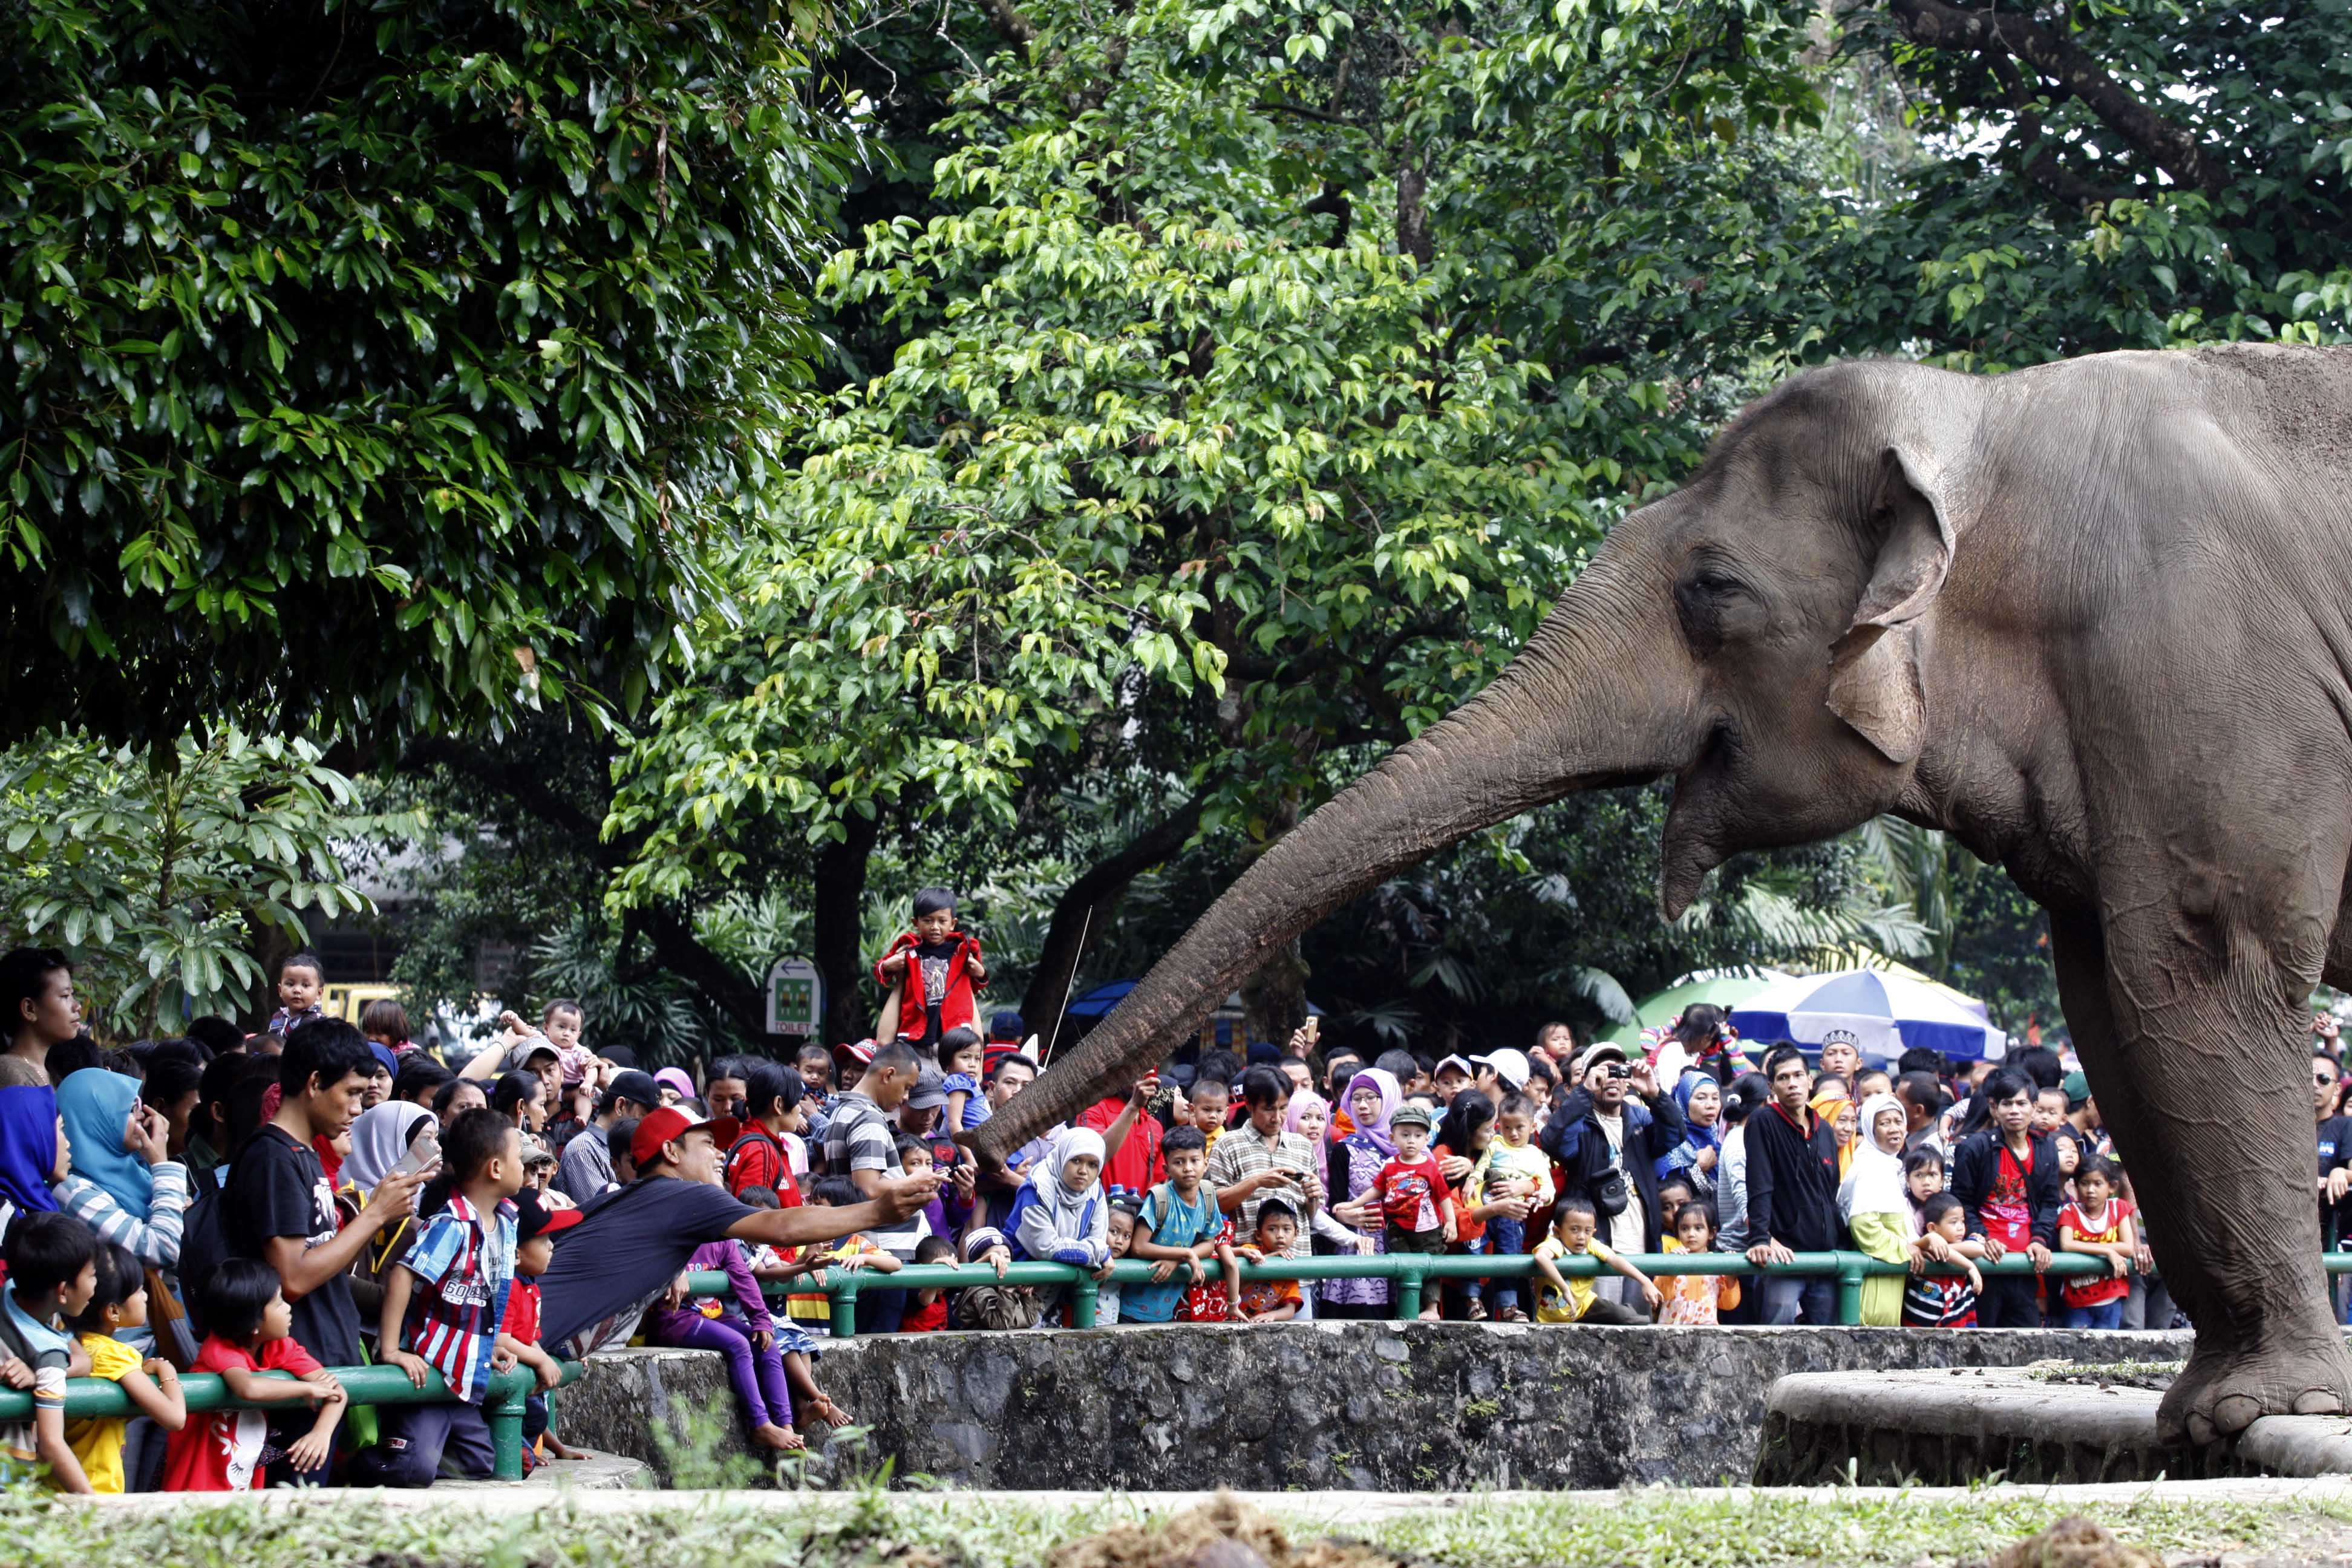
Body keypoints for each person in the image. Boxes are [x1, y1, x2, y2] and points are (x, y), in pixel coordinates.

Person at [535, 1108, 937, 1361]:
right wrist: (878, 1211)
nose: (720, 1154)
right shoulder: (683, 1196)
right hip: (533, 1341)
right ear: (672, 1154)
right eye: (708, 1144)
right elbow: (782, 1227)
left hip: (524, 1336)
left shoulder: (629, 1199)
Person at [223, 1019, 431, 1402]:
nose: (358, 1108)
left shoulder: (305, 1156)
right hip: (292, 1374)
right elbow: (293, 1279)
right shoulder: (273, 1159)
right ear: (315, 1083)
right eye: (351, 1093)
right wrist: (375, 1215)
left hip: (323, 1361)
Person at [357, 1107, 526, 1486]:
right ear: (495, 1169)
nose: (524, 1165)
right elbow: (403, 1274)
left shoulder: (508, 1222)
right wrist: (391, 1350)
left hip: (464, 1377)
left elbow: (485, 1298)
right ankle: (356, 1463)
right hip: (430, 1372)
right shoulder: (451, 1223)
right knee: (412, 1470)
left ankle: (425, 1449)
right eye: (518, 1157)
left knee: (484, 1463)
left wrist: (492, 1345)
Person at [163, 1259, 347, 1491]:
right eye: (279, 1304)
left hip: (242, 1470)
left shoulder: (280, 1346)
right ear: (253, 1323)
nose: (288, 1308)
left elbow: (337, 1391)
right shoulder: (219, 1348)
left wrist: (321, 1433)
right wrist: (307, 1388)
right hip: (201, 1466)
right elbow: (247, 1388)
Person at [1544, 1043, 1686, 1295]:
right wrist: (1584, 1092)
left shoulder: (1639, 1120)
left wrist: (1655, 1094)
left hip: (1641, 1246)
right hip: (1596, 1249)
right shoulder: (1581, 1123)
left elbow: (1675, 1133)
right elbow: (1552, 1140)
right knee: (1602, 1325)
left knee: (1639, 1325)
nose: (1612, 1079)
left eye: (1618, 1071)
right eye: (1603, 1072)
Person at [64, 1241, 186, 1493]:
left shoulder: (77, 1346)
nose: (145, 1296)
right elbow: (175, 1418)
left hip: (58, 1486)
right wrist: (168, 1373)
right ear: (113, 1311)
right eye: (139, 1290)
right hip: (95, 1488)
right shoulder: (114, 1354)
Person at [1952, 1068, 2062, 1327]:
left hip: (2026, 1262)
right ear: (1993, 1108)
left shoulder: (2046, 1148)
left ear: (2034, 1108)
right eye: (2007, 1103)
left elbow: (2049, 1202)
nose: (2015, 1110)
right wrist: (1982, 1236)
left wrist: (2039, 1239)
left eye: (2022, 1103)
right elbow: (1960, 1201)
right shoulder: (1975, 1147)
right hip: (1984, 1261)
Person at [1742, 1045, 1843, 1325]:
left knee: (1828, 1339)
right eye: (1784, 1078)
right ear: (1772, 1086)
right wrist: (1762, 1237)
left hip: (1825, 1256)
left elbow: (1831, 1191)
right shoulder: (1764, 1121)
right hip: (1785, 1255)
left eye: (1798, 1075)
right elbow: (1760, 1183)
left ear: (1811, 1081)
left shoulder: (1824, 1130)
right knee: (1776, 1332)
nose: (1792, 1083)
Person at [0, 1210, 99, 1491]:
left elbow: (83, 1361)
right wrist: (97, 1507)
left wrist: (38, 1376)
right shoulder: (48, 1355)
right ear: (63, 1291)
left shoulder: (12, 1294)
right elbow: (51, 1443)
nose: (95, 1286)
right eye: (92, 1276)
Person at [52, 1067, 188, 1267]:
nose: (142, 1115)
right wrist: (162, 1165)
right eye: (132, 1109)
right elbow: (163, 1248)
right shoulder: (73, 1193)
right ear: (98, 1119)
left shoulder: (134, 1167)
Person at [1341, 1103, 1452, 1319]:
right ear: (1393, 1138)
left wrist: (1451, 1223)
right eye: (1405, 1135)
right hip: (1397, 1227)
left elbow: (1444, 1196)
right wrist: (1353, 1205)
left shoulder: (1430, 1166)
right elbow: (1377, 1190)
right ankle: (1408, 1308)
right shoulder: (1390, 1166)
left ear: (1427, 1139)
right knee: (1403, 1267)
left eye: (1418, 1135)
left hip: (1427, 1228)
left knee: (1429, 1268)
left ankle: (1431, 1308)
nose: (1411, 1141)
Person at [1204, 1066, 1320, 1272]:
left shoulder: (1303, 1146)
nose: (1277, 1117)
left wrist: (1313, 1197)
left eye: (1284, 1108)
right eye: (1269, 1109)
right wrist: (1257, 1182)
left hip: (1297, 1268)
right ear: (1249, 1104)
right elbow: (1213, 1205)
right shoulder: (1227, 1144)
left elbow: (1309, 1216)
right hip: (1246, 1269)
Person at [1122, 1126, 1231, 1324]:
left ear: (1205, 1164)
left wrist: (1177, 1260)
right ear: (1167, 1169)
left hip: (1167, 1310)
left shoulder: (1207, 1195)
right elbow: (1139, 1247)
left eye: (1194, 1160)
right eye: (1179, 1162)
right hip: (1131, 1306)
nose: (1188, 1168)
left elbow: (1209, 1243)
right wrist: (1186, 1254)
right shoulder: (1160, 1198)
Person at [1006, 1127, 1115, 1324]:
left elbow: (1098, 1240)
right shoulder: (1037, 1188)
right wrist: (1100, 1254)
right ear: (1063, 1155)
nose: (1083, 1171)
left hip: (1057, 1293)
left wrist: (1098, 1251)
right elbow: (1048, 1248)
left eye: (1092, 1165)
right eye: (1076, 1160)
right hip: (1018, 1291)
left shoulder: (1095, 1190)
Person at [1466, 1093, 1552, 1322]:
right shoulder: (1495, 1145)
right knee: (1474, 1250)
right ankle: (1473, 1299)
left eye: (1519, 1127)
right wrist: (1471, 1181)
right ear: (1498, 1126)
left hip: (1513, 1215)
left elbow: (1547, 1187)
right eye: (1507, 1127)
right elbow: (1481, 1168)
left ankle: (1509, 1306)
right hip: (1485, 1206)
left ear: (1533, 1126)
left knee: (1510, 1255)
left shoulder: (1536, 1155)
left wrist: (1538, 1195)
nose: (1513, 1134)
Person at [1324, 1068, 1400, 1319]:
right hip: (1360, 1244)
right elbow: (1334, 1203)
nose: (1363, 1105)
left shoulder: (1408, 1146)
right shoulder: (1345, 1150)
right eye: (1356, 1099)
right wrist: (1347, 1216)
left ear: (1387, 1099)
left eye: (1371, 1097)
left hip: (1402, 1241)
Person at [872, 887, 987, 1048]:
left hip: (954, 1033)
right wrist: (887, 965)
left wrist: (980, 973)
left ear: (953, 924)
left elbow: (976, 985)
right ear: (916, 922)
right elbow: (880, 970)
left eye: (942, 921)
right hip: (915, 1032)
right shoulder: (908, 947)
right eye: (928, 920)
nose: (935, 927)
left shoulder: (964, 948)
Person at [1838, 1093, 1914, 1327]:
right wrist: (1907, 1249)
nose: (1894, 1129)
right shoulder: (1872, 1167)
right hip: (1874, 1283)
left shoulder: (1886, 1165)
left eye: (1898, 1121)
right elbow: (1864, 1226)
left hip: (1889, 1277)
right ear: (1871, 1130)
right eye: (1884, 1123)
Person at [1531, 1195, 1662, 1325]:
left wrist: (1644, 1281)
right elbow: (1541, 1257)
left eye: (1587, 1231)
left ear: (1593, 1232)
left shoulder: (1592, 1244)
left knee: (1627, 1317)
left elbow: (1615, 1260)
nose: (1581, 1237)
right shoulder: (1555, 1243)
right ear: (1557, 1231)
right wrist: (1565, 1289)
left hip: (1584, 1306)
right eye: (1574, 1230)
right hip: (1550, 1316)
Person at [2058, 1157, 2138, 1330]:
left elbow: (2128, 1247)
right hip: (2077, 1299)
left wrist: (2094, 1249)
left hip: (2111, 1296)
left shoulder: (2119, 1208)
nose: (2090, 1190)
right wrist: (2109, 1252)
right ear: (2076, 1186)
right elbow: (2067, 1244)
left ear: (2112, 1187)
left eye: (2098, 1184)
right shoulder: (2070, 1212)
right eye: (2085, 1184)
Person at [557, 1069, 659, 1202]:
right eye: (644, 1116)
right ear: (621, 1106)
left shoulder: (636, 1147)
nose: (648, 1125)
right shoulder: (584, 1149)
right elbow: (602, 1212)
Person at [723, 1061, 808, 1204]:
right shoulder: (761, 1151)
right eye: (797, 1102)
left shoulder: (750, 1140)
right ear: (778, 1104)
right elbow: (755, 1217)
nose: (800, 1110)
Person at [1901, 1194, 1986, 1328]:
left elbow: (1979, 1248)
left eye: (1962, 1221)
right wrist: (1931, 1239)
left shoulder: (1966, 1243)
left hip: (1960, 1325)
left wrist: (1943, 1250)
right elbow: (1918, 1244)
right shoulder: (1924, 1244)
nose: (1960, 1227)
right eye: (1953, 1222)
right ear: (1932, 1228)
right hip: (1920, 1328)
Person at [1656, 1201, 1740, 1325]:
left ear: (1712, 1233)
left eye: (1698, 1228)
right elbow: (1661, 1294)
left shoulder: (1718, 1264)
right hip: (1671, 1331)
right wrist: (1671, 1266)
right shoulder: (1672, 1258)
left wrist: (1731, 1277)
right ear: (1677, 1232)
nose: (1691, 1234)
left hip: (1707, 1332)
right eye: (1685, 1228)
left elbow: (1729, 1304)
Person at [1233, 1197, 1305, 1322]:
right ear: (1259, 1235)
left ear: (1296, 1234)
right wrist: (1268, 1259)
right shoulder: (1249, 1250)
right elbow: (1225, 1257)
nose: (1280, 1235)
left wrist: (1272, 1316)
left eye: (1287, 1229)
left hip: (1260, 1324)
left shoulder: (1290, 1267)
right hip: (1230, 1319)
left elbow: (1290, 1309)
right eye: (1272, 1229)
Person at [1656, 1074, 1724, 1200]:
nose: (1710, 1105)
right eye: (1701, 1098)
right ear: (1683, 1102)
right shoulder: (1669, 1143)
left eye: (1715, 1098)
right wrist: (1700, 1169)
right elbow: (1666, 1197)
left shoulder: (1716, 1140)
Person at [937, 1027, 990, 1135]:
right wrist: (968, 1153)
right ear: (948, 1060)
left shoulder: (969, 1084)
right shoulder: (958, 1082)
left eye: (977, 1059)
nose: (973, 1064)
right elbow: (954, 1123)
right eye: (965, 1057)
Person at [266, 952, 327, 1044]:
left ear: (319, 993)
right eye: (290, 984)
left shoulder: (319, 1023)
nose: (297, 990)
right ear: (280, 990)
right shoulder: (277, 1017)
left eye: (305, 985)